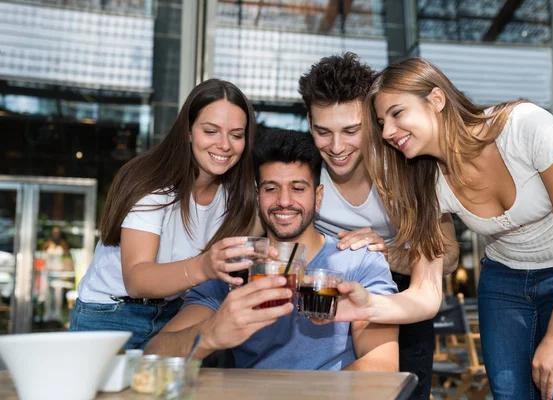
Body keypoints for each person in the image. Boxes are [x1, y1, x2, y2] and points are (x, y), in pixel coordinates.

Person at [362, 56, 553, 400]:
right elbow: (428, 291)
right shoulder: (427, 181)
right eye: (382, 122)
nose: (387, 132)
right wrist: (363, 304)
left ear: (437, 99)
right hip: (503, 284)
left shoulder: (525, 127)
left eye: (397, 113)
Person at [145, 129, 399, 371]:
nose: (284, 201)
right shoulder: (233, 268)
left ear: (318, 196)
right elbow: (154, 353)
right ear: (258, 197)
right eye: (271, 188)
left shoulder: (360, 261)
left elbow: (381, 366)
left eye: (298, 188)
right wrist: (212, 334)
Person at [297, 53, 459, 399]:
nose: (336, 148)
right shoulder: (304, 169)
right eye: (322, 131)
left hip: (399, 294)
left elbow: (450, 256)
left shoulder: (406, 167)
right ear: (308, 121)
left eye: (351, 131)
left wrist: (386, 254)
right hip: (322, 295)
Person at [70, 79, 260, 349]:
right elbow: (137, 280)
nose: (224, 145)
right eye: (211, 131)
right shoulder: (153, 183)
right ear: (188, 131)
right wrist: (206, 265)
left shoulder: (237, 196)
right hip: (110, 317)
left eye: (236, 135)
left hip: (175, 316)